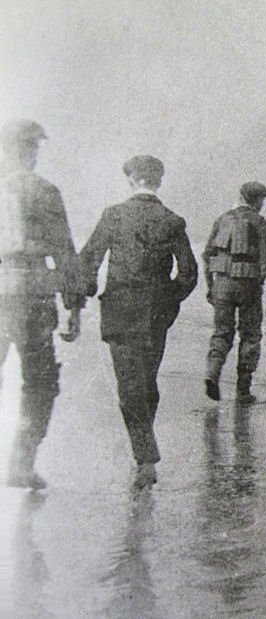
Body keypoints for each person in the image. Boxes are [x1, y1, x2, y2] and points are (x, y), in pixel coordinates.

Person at [80, 155, 197, 488]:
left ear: (131, 181)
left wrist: (83, 293)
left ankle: (145, 458)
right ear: (157, 182)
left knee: (130, 387)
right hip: (155, 315)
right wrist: (166, 301)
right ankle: (143, 451)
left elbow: (89, 260)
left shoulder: (113, 216)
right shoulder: (172, 220)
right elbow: (188, 274)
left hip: (119, 311)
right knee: (146, 383)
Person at [0, 119, 84, 489]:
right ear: (31, 151)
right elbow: (65, 252)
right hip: (33, 294)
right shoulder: (45, 191)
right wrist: (74, 306)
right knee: (41, 381)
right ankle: (21, 463)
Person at [202, 181, 266, 404]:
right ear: (255, 200)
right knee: (250, 335)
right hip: (249, 286)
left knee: (221, 333)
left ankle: (211, 373)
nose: (262, 204)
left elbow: (206, 256)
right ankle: (243, 391)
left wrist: (210, 287)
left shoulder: (222, 219)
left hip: (222, 284)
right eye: (261, 200)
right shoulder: (260, 223)